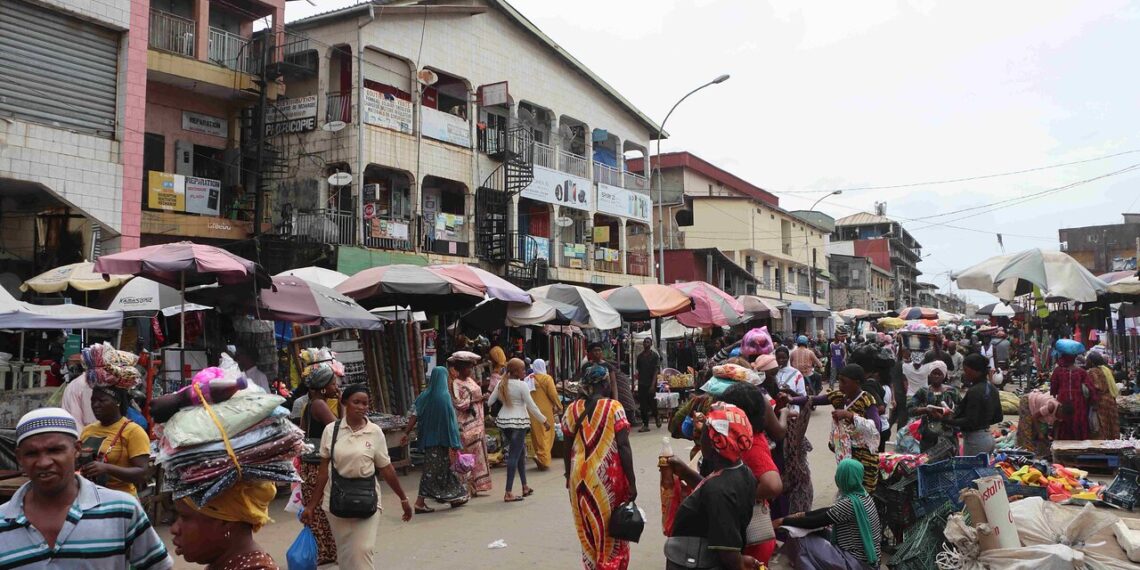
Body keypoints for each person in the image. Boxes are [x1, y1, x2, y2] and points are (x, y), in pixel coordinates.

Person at [1, 408, 173, 569]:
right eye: (31, 453)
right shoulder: (3, 521)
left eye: (55, 450)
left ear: (77, 449)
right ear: (19, 457)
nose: (44, 462)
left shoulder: (122, 510)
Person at [303, 384, 413, 568]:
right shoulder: (331, 431)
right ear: (345, 402)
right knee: (345, 553)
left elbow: (386, 468)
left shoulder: (375, 432)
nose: (362, 407)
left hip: (367, 499)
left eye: (365, 403)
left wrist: (403, 498)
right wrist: (312, 505)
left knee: (362, 550)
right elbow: (323, 472)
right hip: (336, 501)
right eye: (357, 402)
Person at [664, 403, 761, 570]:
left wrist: (739, 562)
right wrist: (686, 473)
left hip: (697, 561)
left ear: (716, 442)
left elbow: (727, 551)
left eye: (703, 434)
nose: (700, 438)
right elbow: (710, 493)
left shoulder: (719, 489)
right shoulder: (742, 471)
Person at [564, 364, 636, 570]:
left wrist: (568, 476)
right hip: (608, 479)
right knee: (610, 532)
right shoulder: (614, 407)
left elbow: (567, 446)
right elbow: (623, 446)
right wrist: (632, 482)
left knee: (587, 531)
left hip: (578, 478)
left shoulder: (572, 409)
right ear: (605, 384)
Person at [717, 384, 785, 565]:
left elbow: (772, 485)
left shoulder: (752, 443)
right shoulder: (740, 437)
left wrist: (736, 498)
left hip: (750, 537)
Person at [776, 459, 882, 569]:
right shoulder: (863, 496)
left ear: (843, 478)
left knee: (800, 540)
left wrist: (783, 521)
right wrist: (802, 514)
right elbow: (828, 511)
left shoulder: (849, 503)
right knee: (821, 533)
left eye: (838, 474)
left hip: (856, 563)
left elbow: (815, 522)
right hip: (868, 561)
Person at [793, 364, 882, 493]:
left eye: (844, 382)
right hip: (846, 456)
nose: (840, 385)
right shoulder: (840, 396)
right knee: (847, 489)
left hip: (865, 459)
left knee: (863, 493)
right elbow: (812, 400)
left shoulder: (866, 399)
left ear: (856, 383)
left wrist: (850, 415)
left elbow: (875, 428)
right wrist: (791, 399)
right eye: (839, 380)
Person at [297, 352, 342, 565]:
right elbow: (339, 429)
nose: (336, 387)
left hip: (309, 463)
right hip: (317, 465)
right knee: (320, 509)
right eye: (333, 384)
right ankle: (325, 551)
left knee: (317, 508)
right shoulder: (320, 405)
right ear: (323, 387)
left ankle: (324, 550)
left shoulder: (309, 405)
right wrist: (342, 403)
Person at [405, 366, 468, 512]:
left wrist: (406, 433)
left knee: (442, 469)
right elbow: (450, 422)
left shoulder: (424, 395)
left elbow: (414, 415)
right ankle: (419, 503)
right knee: (431, 471)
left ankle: (453, 497)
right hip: (441, 441)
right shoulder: (444, 397)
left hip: (428, 440)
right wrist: (455, 442)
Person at [488, 358, 549, 503]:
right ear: (515, 372)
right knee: (514, 455)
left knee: (520, 452)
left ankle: (525, 486)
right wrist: (544, 421)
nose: (524, 371)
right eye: (522, 369)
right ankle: (508, 492)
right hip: (519, 422)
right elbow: (532, 406)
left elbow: (490, 402)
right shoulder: (522, 386)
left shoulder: (501, 383)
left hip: (504, 422)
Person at [79, 384, 150, 497]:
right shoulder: (88, 430)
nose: (95, 405)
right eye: (93, 400)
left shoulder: (133, 431)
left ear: (117, 402)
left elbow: (142, 474)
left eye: (102, 400)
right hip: (90, 497)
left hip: (121, 498)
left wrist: (107, 468)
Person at [448, 351, 492, 496]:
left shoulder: (470, 380)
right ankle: (466, 487)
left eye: (471, 368)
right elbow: (459, 404)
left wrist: (481, 398)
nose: (470, 370)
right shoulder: (456, 383)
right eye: (468, 368)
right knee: (467, 456)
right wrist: (477, 400)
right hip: (466, 424)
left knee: (478, 455)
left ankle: (477, 485)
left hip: (478, 423)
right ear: (460, 368)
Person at [941, 354, 1004, 455]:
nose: (964, 374)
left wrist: (947, 420)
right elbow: (999, 417)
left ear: (975, 371)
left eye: (966, 371)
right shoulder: (991, 388)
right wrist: (983, 420)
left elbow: (970, 421)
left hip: (975, 441)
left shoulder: (975, 391)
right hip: (987, 438)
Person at [907, 360, 960, 453]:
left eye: (939, 374)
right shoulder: (923, 391)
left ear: (944, 376)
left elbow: (961, 409)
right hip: (928, 436)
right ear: (929, 375)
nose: (936, 376)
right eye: (934, 373)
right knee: (928, 461)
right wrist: (926, 410)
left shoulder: (952, 391)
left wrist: (949, 414)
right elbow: (910, 409)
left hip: (948, 435)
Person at [1050, 352, 1096, 441]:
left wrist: (1054, 394)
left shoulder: (1058, 371)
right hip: (1079, 401)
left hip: (1063, 400)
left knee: (1063, 421)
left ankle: (1063, 444)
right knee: (1079, 421)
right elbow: (1090, 388)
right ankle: (1080, 444)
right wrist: (1093, 401)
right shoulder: (1081, 372)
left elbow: (1053, 387)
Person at [527, 358, 563, 470]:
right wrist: (559, 405)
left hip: (532, 411)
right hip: (545, 410)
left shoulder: (528, 378)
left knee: (536, 434)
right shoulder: (547, 379)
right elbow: (553, 394)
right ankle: (544, 460)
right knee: (547, 434)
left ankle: (539, 453)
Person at [1086, 352, 1120, 440]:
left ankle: (1104, 447)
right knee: (1111, 424)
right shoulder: (1106, 370)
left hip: (1100, 401)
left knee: (1101, 425)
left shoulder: (1092, 372)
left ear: (1092, 362)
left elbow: (1094, 388)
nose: (1086, 362)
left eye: (1087, 360)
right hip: (1110, 399)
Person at [635, 337, 661, 432]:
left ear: (650, 344)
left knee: (652, 403)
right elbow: (638, 371)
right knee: (643, 405)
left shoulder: (655, 356)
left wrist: (652, 385)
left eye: (648, 342)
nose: (646, 343)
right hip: (642, 383)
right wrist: (636, 384)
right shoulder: (640, 357)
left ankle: (657, 416)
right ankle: (645, 424)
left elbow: (656, 371)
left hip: (651, 383)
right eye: (645, 342)